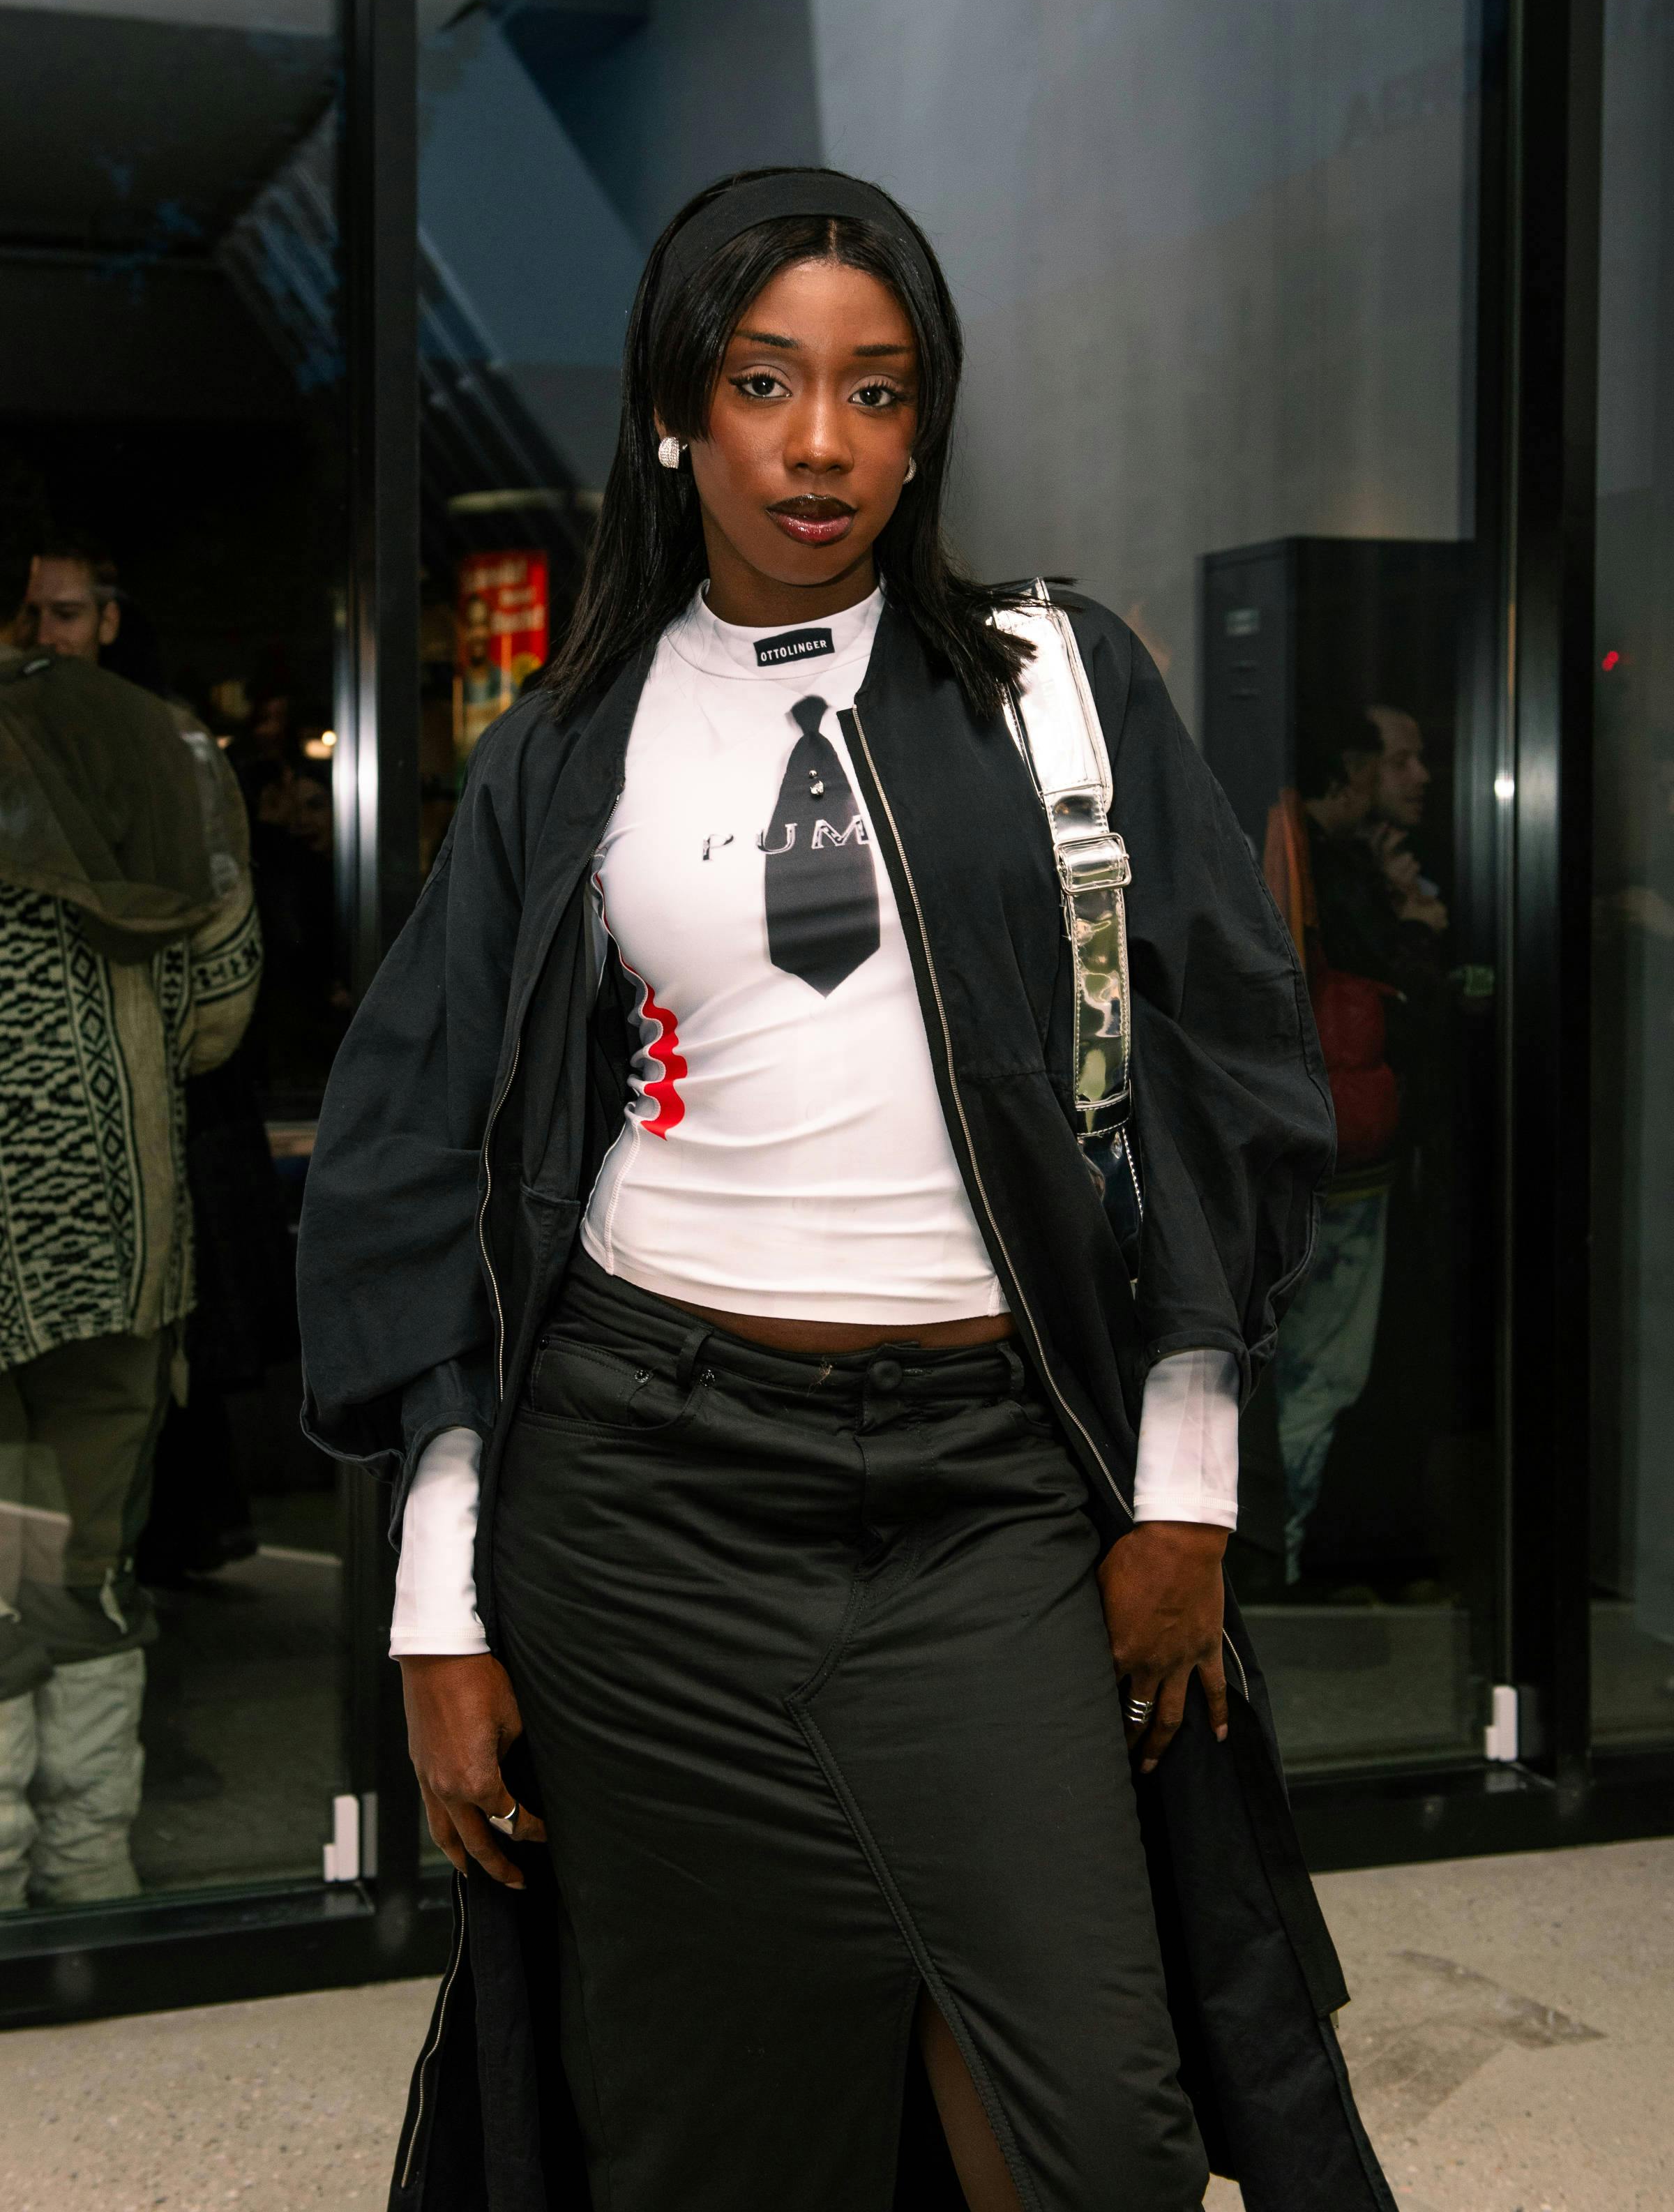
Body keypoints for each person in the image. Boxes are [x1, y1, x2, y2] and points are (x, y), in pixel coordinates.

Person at [299, 169, 1392, 2211]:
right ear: (673, 414)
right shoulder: (570, 747)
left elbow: (1225, 1066)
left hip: (981, 1494)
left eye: (877, 392)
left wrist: (1184, 1485)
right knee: (724, 2135)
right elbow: (411, 1156)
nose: (820, 442)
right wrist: (434, 1613)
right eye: (763, 381)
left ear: (926, 421)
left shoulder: (1050, 689)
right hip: (642, 1507)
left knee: (1093, 2120)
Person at [0, 612, 261, 1906]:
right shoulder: (165, 746)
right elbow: (221, 1010)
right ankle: (89, 1876)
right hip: (118, 1230)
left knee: (0, 1570)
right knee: (87, 1568)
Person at [1261, 698, 1448, 1587]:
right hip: (1340, 1156)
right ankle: (1282, 1566)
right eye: (1393, 760)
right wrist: (1414, 918)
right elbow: (1396, 995)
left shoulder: (1300, 846)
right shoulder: (1326, 865)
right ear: (1353, 767)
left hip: (1308, 1148)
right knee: (1323, 1371)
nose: (1410, 778)